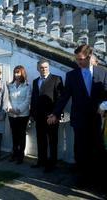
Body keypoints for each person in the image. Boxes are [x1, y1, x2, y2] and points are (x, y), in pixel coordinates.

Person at [47, 45, 107, 180]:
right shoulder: (71, 75)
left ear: (90, 57)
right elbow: (64, 97)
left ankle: (99, 177)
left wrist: (103, 105)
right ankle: (82, 177)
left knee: (98, 147)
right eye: (77, 59)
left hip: (97, 118)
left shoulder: (102, 72)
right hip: (79, 119)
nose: (78, 62)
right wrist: (55, 113)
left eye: (81, 59)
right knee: (80, 149)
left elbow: (106, 93)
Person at [30, 59, 64, 172]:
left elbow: (60, 99)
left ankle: (52, 164)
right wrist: (32, 114)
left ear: (48, 67)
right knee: (40, 140)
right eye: (41, 67)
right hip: (38, 117)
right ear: (38, 68)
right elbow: (34, 99)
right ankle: (41, 161)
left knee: (53, 141)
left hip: (51, 117)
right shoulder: (35, 81)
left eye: (46, 67)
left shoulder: (56, 79)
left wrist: (55, 114)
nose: (44, 69)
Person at [7, 65, 31, 164]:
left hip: (23, 115)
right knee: (14, 135)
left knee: (21, 135)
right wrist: (10, 109)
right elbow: (7, 98)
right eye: (15, 72)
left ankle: (21, 155)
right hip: (12, 114)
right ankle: (14, 153)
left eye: (18, 72)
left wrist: (18, 110)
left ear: (22, 73)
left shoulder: (27, 86)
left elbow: (27, 100)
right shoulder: (10, 85)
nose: (16, 74)